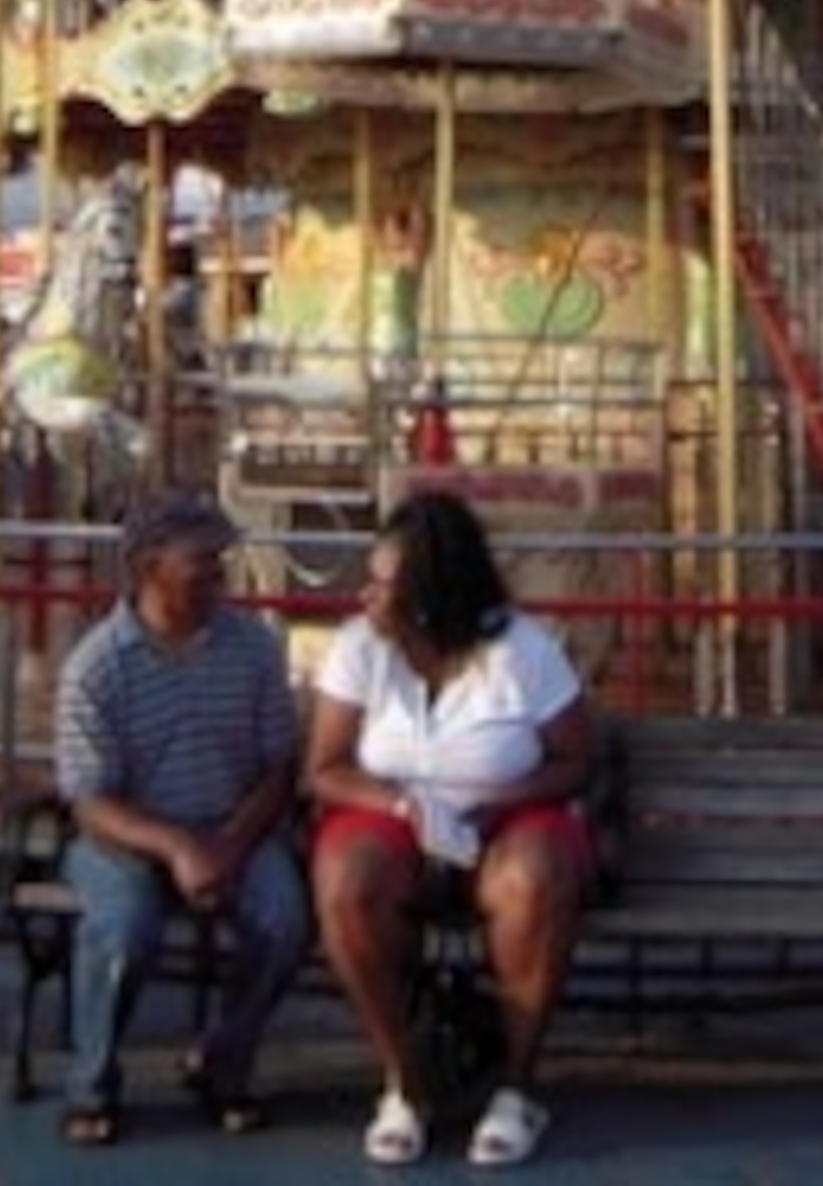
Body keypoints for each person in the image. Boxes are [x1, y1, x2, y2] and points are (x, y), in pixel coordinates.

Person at [306, 490, 597, 1170]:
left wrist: (502, 802)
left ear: (434, 594)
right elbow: (323, 767)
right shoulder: (358, 650)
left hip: (508, 814)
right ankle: (404, 1081)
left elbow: (576, 757)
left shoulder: (523, 652)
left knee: (536, 879)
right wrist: (400, 804)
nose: (367, 597)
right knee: (346, 881)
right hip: (393, 819)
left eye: (386, 586)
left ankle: (518, 1087)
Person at [49, 488, 306, 1149]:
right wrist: (175, 848)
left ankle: (224, 1057)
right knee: (123, 929)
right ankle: (91, 1082)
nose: (219, 574)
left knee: (283, 920)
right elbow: (90, 797)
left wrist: (228, 842)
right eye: (202, 560)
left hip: (232, 822)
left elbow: (280, 765)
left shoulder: (252, 648)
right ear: (149, 567)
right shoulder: (97, 667)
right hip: (127, 836)